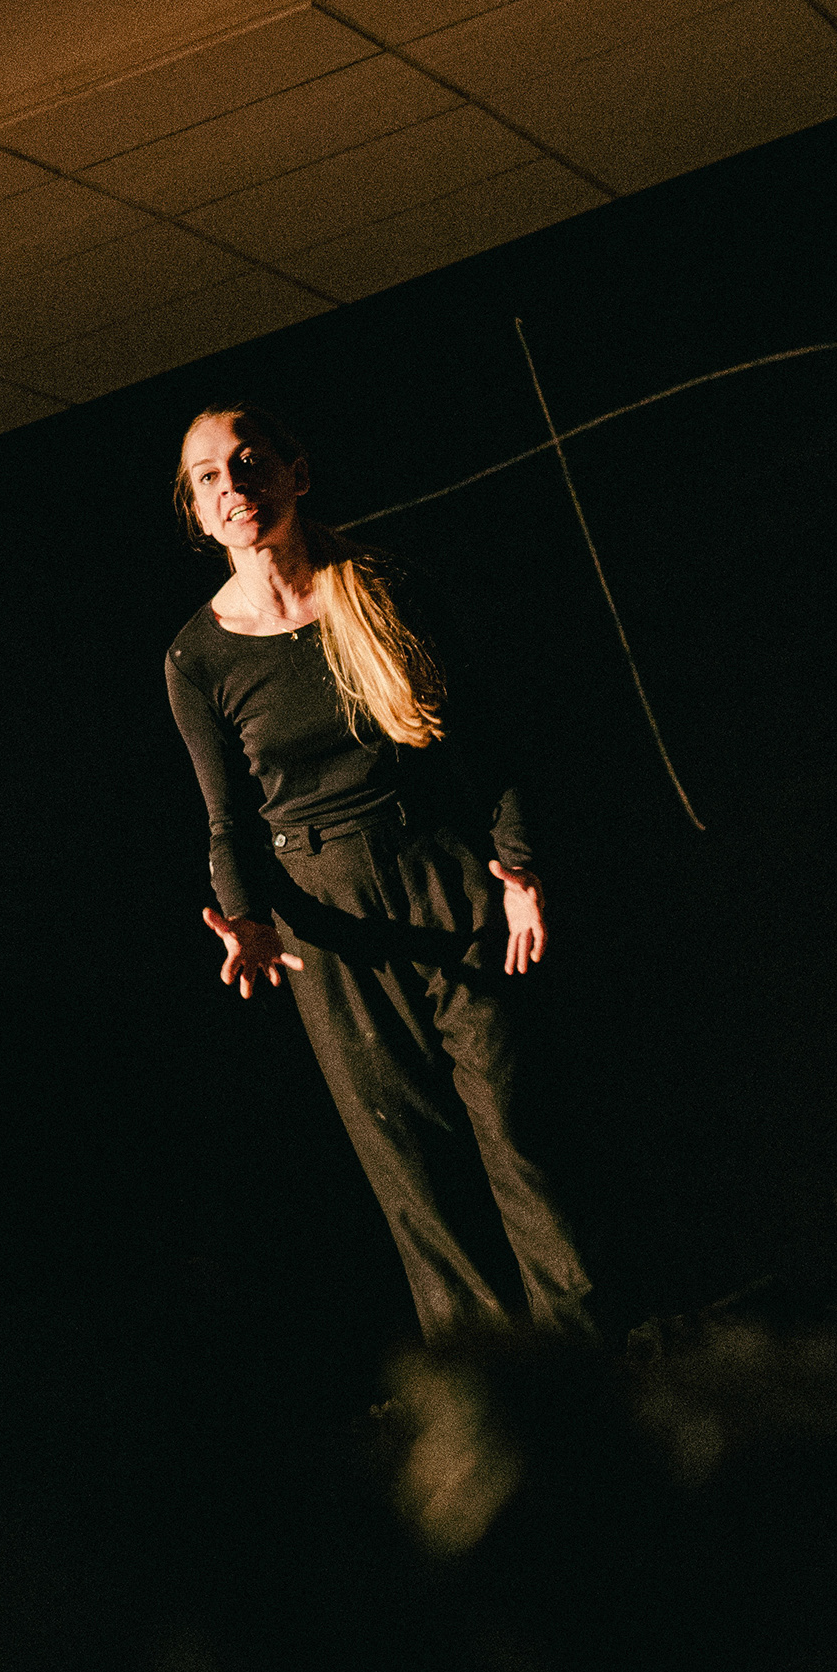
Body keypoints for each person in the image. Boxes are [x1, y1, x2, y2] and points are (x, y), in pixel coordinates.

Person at [164, 404, 593, 1343]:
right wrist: (245, 917)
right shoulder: (197, 656)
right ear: (196, 511)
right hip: (325, 914)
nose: (233, 487)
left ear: (296, 472)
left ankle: (585, 1359)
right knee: (411, 1165)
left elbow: (484, 739)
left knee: (518, 1131)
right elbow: (225, 817)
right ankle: (487, 1391)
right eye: (209, 478)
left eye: (250, 463)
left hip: (439, 874)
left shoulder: (384, 587)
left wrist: (518, 866)